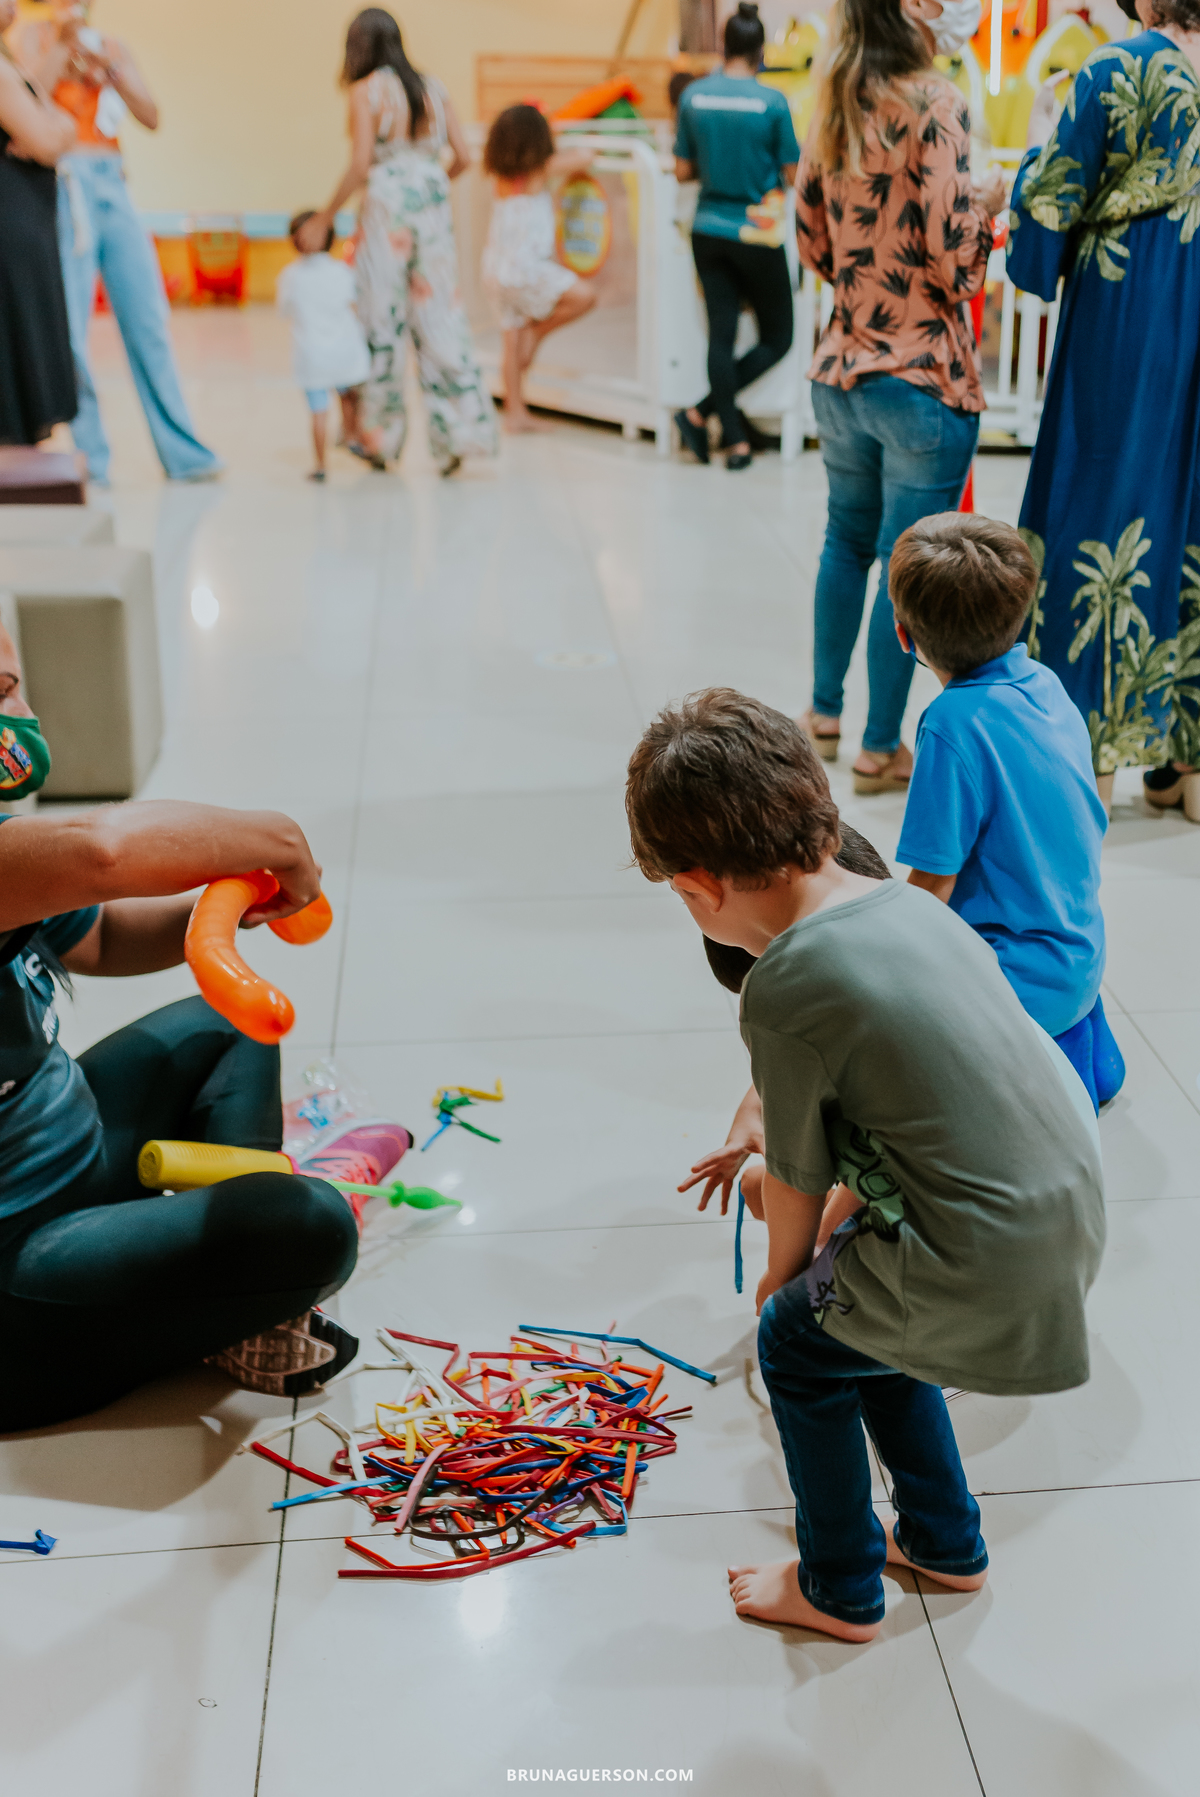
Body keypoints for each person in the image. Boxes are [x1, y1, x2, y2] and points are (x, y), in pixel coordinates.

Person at [626, 687, 1105, 1641]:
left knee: (799, 1339)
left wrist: (775, 1285)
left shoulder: (785, 981)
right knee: (857, 1313)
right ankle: (943, 1538)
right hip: (1061, 1219)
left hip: (985, 1258)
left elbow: (798, 1181)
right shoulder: (905, 904)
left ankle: (838, 1583)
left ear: (697, 887)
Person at [0, 621, 359, 1432]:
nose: (14, 714)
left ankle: (213, 1293)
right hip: (14, 1274)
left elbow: (97, 932)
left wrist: (229, 912)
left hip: (69, 1155)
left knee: (228, 1027)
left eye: (10, 685)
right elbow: (102, 851)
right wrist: (274, 839)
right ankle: (215, 1303)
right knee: (314, 1226)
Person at [794, 0, 1004, 795]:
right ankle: (881, 748)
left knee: (844, 541)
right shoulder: (935, 103)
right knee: (904, 563)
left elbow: (811, 237)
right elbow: (956, 260)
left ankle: (822, 713)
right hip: (921, 376)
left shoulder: (835, 103)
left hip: (842, 369)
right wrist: (984, 208)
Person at [1005, 0, 1200, 818]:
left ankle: (1098, 755)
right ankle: (1185, 766)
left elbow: (1048, 209)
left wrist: (1015, 179)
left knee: (1102, 497)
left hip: (1135, 317)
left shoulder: (1119, 70)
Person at [890, 513, 1125, 1110]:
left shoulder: (950, 725)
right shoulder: (1045, 683)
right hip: (1080, 955)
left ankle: (1034, 1070)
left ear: (904, 635)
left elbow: (931, 886)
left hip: (1018, 984)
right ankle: (1079, 1052)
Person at [15, 0, 222, 486]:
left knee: (148, 319)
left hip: (112, 181)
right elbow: (24, 100)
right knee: (72, 330)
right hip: (65, 181)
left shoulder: (111, 46)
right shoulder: (32, 39)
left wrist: (114, 71)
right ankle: (94, 461)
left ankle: (184, 453)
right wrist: (62, 46)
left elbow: (150, 116)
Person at [298, 8, 497, 477]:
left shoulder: (365, 91)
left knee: (381, 322)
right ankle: (459, 437)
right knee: (441, 317)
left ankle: (378, 441)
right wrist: (427, 184)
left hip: (386, 212)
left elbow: (361, 161)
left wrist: (327, 215)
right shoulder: (435, 86)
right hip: (431, 208)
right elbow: (464, 157)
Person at [673, 3, 800, 471]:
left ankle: (718, 427)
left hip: (707, 228)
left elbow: (683, 170)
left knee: (720, 335)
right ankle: (711, 420)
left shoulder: (693, 98)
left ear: (724, 45)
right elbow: (792, 172)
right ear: (760, 50)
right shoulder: (772, 103)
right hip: (758, 232)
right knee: (779, 336)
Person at [481, 105, 597, 434]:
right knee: (584, 297)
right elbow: (586, 156)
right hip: (524, 269)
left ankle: (514, 411)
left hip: (494, 269)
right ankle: (538, 332)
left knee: (510, 342)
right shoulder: (540, 170)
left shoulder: (500, 177)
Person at [0, 0, 76, 447]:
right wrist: (56, 126)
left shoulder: (10, 61)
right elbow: (49, 140)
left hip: (23, 219)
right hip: (12, 227)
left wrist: (53, 123)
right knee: (19, 339)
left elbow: (49, 115)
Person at [276, 211, 370, 483]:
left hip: (313, 356)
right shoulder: (343, 271)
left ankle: (320, 465)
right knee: (349, 396)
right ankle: (353, 436)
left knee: (319, 411)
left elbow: (284, 310)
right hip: (345, 352)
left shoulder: (290, 276)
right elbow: (356, 304)